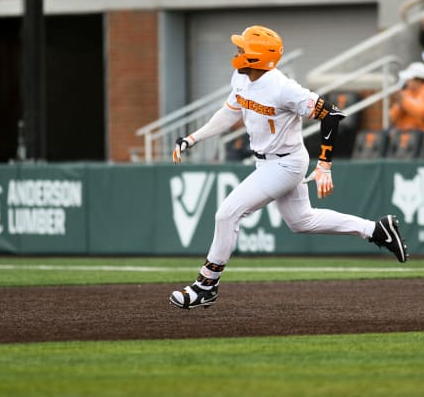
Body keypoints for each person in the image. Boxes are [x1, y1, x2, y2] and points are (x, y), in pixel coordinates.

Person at [168, 25, 408, 309]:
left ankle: (205, 285)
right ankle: (376, 230)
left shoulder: (283, 88)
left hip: (285, 164)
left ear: (256, 57)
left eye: (242, 49)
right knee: (302, 221)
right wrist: (194, 138)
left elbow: (332, 114)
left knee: (227, 214)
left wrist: (325, 165)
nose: (237, 52)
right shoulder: (241, 78)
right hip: (268, 161)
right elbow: (229, 113)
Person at [389, 62, 424, 131]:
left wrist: (404, 101)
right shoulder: (406, 92)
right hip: (402, 132)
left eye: (408, 79)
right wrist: (399, 105)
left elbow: (423, 113)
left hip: (422, 133)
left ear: (418, 79)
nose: (406, 81)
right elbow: (392, 117)